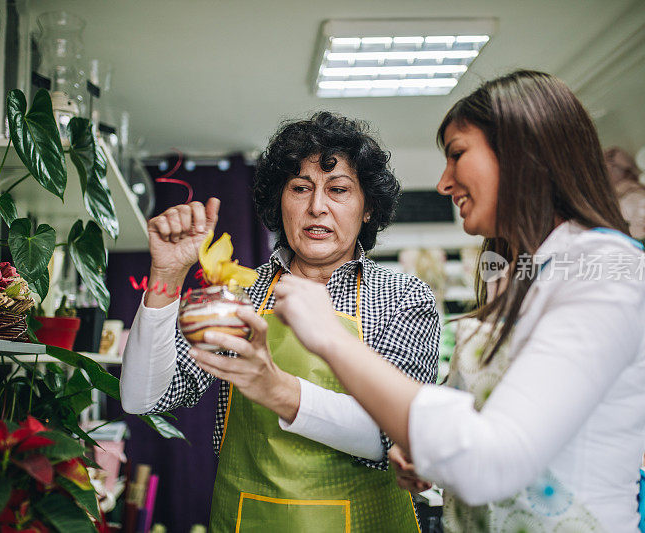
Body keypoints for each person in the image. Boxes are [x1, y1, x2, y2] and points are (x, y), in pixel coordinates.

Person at [196, 71, 645, 532]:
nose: (443, 182)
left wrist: (327, 338)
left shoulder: (606, 273)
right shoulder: (525, 274)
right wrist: (427, 455)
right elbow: (485, 426)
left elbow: (491, 461)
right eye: (300, 189)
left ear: (520, 156)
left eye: (456, 154)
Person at [121, 111, 439, 531]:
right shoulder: (239, 293)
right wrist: (165, 277)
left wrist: (277, 390)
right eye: (300, 188)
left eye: (338, 189)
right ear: (280, 202)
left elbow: (392, 434)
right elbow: (145, 398)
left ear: (367, 209)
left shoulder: (403, 297)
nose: (317, 207)